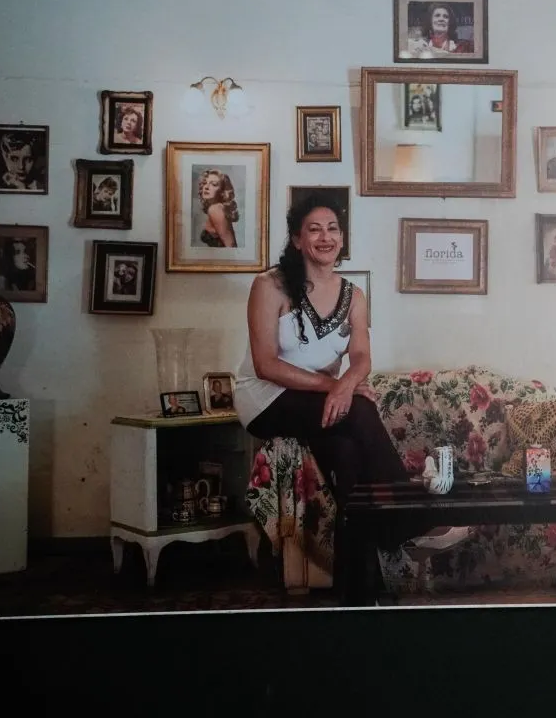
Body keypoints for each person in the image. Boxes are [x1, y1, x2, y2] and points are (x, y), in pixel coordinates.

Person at [233, 192, 469, 598]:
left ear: (342, 238)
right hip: (265, 400)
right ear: (297, 239)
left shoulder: (353, 295)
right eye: (314, 229)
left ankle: (358, 594)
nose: (325, 237)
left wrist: (346, 381)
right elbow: (265, 365)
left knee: (347, 458)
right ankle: (411, 521)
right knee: (359, 409)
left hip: (316, 404)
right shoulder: (269, 286)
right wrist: (338, 386)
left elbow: (361, 357)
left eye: (333, 229)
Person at [197, 169, 239, 247]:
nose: (206, 187)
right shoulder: (216, 208)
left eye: (214, 184)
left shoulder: (215, 209)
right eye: (205, 183)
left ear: (222, 192)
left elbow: (231, 246)